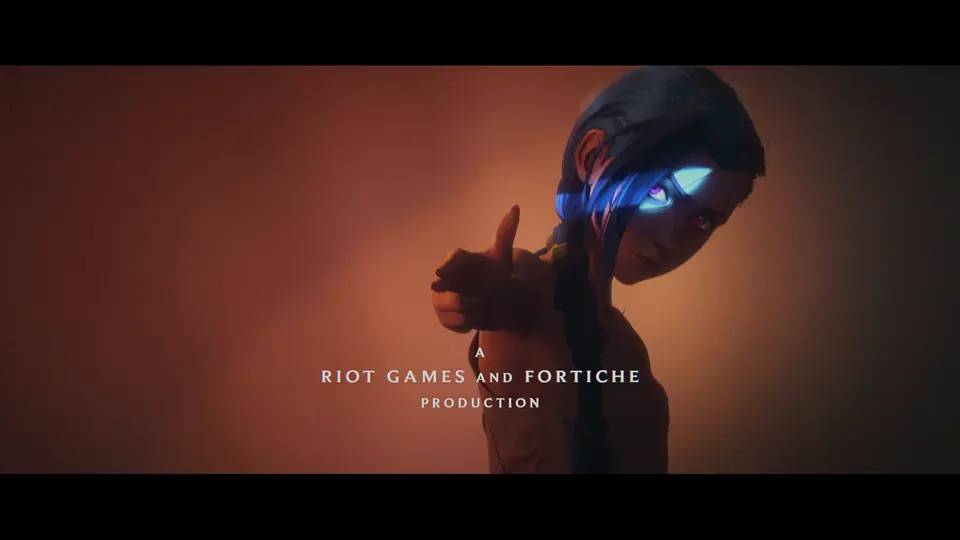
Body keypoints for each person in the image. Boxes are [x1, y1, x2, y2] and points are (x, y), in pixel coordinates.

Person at [430, 66, 766, 474]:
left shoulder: (625, 343)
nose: (670, 237)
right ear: (592, 157)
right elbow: (511, 296)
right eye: (658, 191)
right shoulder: (533, 286)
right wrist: (473, 297)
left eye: (702, 220)